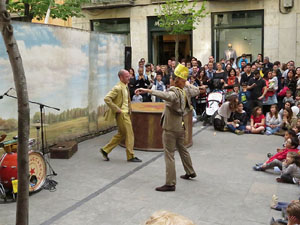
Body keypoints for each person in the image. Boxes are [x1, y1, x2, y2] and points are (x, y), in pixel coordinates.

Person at [136, 64, 200, 192]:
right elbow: (197, 90)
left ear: (174, 79)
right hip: (181, 125)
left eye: (172, 77)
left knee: (169, 154)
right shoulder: (186, 90)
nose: (170, 79)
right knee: (182, 149)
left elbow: (167, 96)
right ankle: (190, 171)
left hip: (171, 127)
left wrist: (149, 91)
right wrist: (186, 83)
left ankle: (170, 183)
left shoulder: (174, 91)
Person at [100, 69, 142, 163]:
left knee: (121, 134)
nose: (129, 78)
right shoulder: (118, 87)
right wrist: (117, 109)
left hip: (125, 113)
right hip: (122, 114)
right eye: (127, 76)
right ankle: (130, 156)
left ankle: (105, 150)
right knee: (129, 134)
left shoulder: (125, 86)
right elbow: (107, 98)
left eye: (129, 76)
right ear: (121, 77)